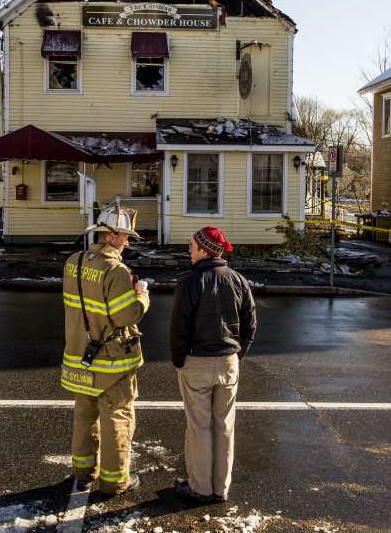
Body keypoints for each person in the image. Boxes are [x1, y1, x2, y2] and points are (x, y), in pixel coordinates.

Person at [61, 206, 149, 497]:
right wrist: (141, 297)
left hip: (79, 360)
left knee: (85, 416)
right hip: (111, 364)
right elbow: (126, 316)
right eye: (125, 237)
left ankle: (83, 473)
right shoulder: (116, 270)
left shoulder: (73, 261)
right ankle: (114, 482)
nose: (127, 243)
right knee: (117, 419)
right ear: (111, 237)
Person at [170, 226, 256, 503]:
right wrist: (237, 353)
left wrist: (179, 361)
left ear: (204, 250)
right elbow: (250, 323)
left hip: (197, 362)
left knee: (199, 427)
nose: (190, 251)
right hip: (229, 362)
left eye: (193, 247)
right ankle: (221, 488)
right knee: (224, 427)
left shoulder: (190, 282)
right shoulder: (238, 280)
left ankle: (200, 487)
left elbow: (178, 329)